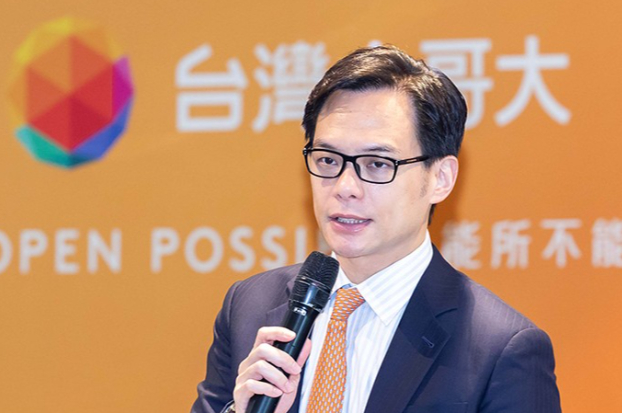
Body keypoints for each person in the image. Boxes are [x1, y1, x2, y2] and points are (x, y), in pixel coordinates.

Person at [192, 45, 560, 413]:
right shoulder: (249, 306)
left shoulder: (501, 348)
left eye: (377, 164)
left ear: (441, 178)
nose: (345, 187)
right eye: (328, 159)